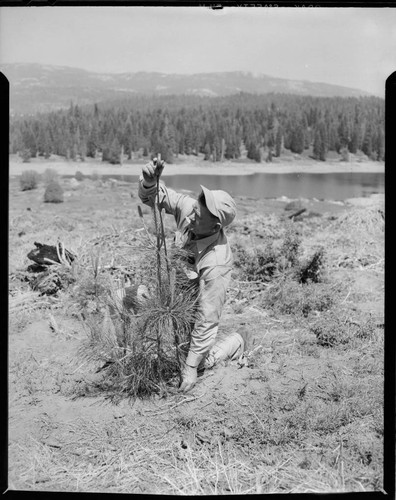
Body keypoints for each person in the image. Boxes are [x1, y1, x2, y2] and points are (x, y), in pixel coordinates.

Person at [138, 158, 246, 392]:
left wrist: (190, 367)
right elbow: (157, 198)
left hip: (194, 307)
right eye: (195, 209)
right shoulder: (190, 210)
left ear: (215, 227)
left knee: (195, 363)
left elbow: (208, 316)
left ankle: (235, 342)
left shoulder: (216, 261)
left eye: (198, 217)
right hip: (172, 290)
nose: (191, 217)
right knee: (127, 298)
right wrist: (149, 182)